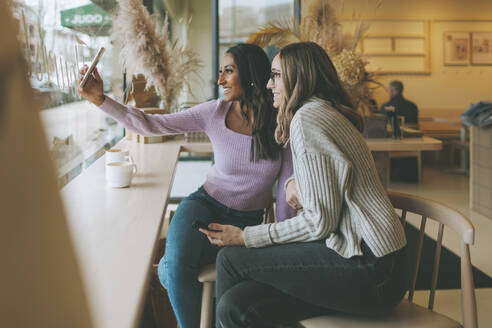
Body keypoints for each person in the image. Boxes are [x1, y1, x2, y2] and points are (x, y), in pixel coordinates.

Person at [78, 43, 297, 328]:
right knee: (180, 265)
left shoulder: (281, 122)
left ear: (251, 74)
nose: (219, 80)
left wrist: (281, 237)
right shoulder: (214, 112)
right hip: (203, 207)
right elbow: (151, 124)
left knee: (172, 270)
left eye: (228, 71)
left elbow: (286, 190)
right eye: (221, 72)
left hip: (247, 225)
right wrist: (100, 100)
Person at [200, 42, 408, 327]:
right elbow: (333, 169)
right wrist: (292, 181)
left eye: (275, 75)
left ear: (299, 77)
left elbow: (319, 222)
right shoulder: (323, 112)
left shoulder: (307, 119)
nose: (268, 83)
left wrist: (247, 236)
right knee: (237, 306)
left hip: (372, 268)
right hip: (374, 262)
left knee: (231, 259)